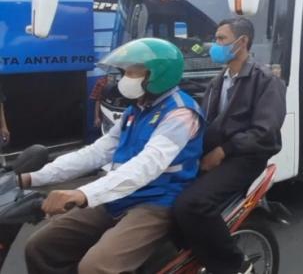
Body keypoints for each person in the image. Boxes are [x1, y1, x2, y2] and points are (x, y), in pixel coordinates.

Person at [22, 38, 205, 274]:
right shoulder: (136, 110)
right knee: (40, 246)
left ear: (158, 75)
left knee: (96, 267)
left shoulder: (180, 113)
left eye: (132, 72)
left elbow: (146, 165)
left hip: (156, 201)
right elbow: (96, 152)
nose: (125, 78)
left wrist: (82, 193)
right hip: (120, 195)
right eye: (124, 72)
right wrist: (34, 177)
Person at [173, 17, 287, 274]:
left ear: (242, 42)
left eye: (221, 39)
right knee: (167, 197)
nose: (215, 45)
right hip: (214, 154)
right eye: (215, 39)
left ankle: (236, 266)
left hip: (245, 158)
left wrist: (224, 151)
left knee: (192, 204)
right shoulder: (217, 82)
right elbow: (204, 124)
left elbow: (265, 131)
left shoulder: (266, 80)